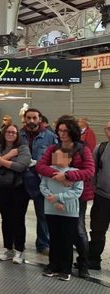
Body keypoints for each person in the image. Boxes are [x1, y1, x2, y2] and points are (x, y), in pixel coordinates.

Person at [36, 116, 95, 278]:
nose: (62, 134)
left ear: (72, 131)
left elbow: (90, 171)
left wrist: (69, 175)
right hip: (54, 196)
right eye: (60, 130)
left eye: (65, 131)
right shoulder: (54, 149)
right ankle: (55, 264)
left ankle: (83, 264)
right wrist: (58, 175)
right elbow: (41, 166)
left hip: (78, 196)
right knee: (56, 233)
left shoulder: (83, 149)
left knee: (78, 231)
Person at [0, 124, 32, 264]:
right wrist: (9, 156)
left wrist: (0, 160)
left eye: (13, 132)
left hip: (19, 189)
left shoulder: (23, 148)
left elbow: (21, 166)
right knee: (6, 219)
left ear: (17, 134)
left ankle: (19, 250)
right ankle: (8, 248)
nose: (11, 134)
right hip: (2, 188)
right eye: (8, 132)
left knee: (18, 219)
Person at [39, 148, 83, 281]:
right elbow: (43, 187)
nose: (57, 160)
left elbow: (77, 191)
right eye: (55, 156)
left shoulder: (75, 173)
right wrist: (52, 200)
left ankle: (66, 268)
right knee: (54, 238)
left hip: (69, 212)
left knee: (67, 240)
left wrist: (59, 198)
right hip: (51, 210)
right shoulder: (49, 171)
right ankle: (53, 265)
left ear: (69, 159)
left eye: (61, 157)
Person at [19, 108, 57, 256]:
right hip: (21, 181)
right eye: (28, 118)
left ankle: (43, 243)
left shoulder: (50, 137)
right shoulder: (18, 135)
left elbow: (59, 161)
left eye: (35, 118)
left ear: (40, 119)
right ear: (24, 119)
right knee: (17, 214)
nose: (31, 121)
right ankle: (18, 242)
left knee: (43, 215)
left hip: (41, 182)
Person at [89, 121, 110, 270]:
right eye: (108, 129)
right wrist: (95, 189)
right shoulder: (100, 149)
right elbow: (92, 171)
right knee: (97, 230)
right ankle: (93, 260)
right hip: (102, 197)